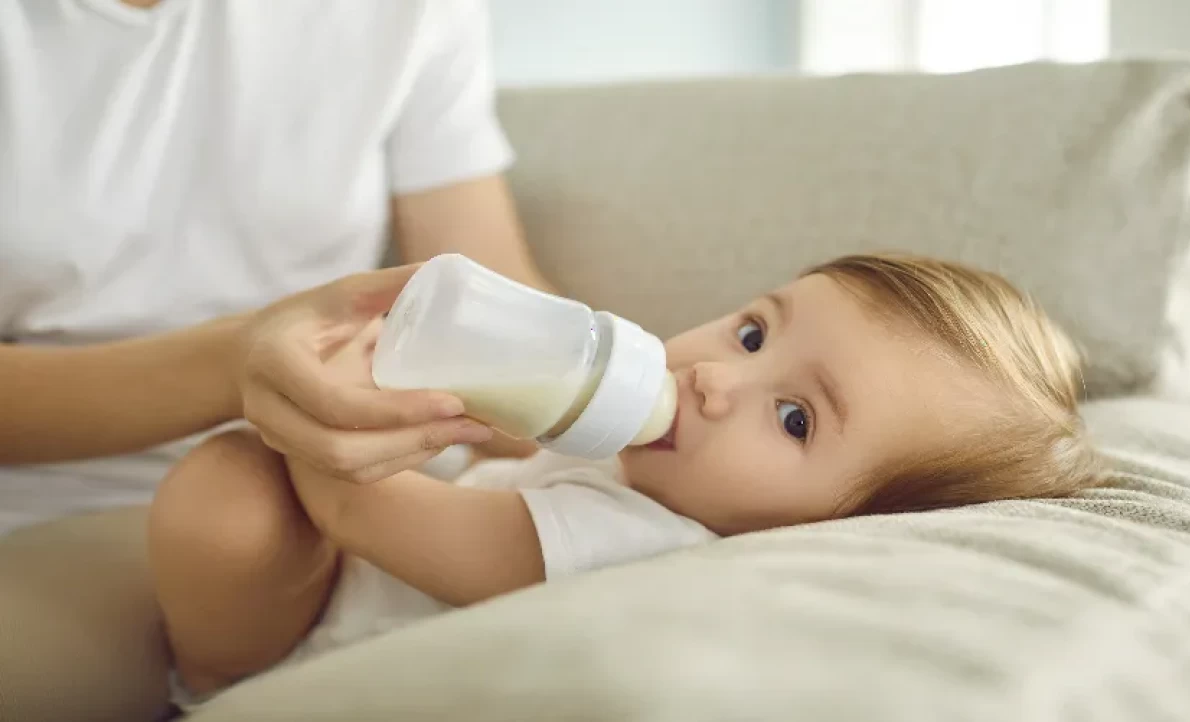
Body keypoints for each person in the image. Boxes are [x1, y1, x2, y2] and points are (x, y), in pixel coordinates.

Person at [149, 253, 1105, 708]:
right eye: (754, 332)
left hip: (316, 645)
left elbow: (363, 504)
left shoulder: (643, 546)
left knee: (227, 490)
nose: (717, 380)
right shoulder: (652, 465)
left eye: (797, 418)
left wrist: (355, 397)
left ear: (844, 527)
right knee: (242, 477)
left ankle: (219, 682)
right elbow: (502, 460)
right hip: (339, 564)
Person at [0, 0, 544, 535]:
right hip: (64, 502)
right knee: (234, 520)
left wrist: (601, 418)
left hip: (376, 475)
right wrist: (235, 366)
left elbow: (492, 303)